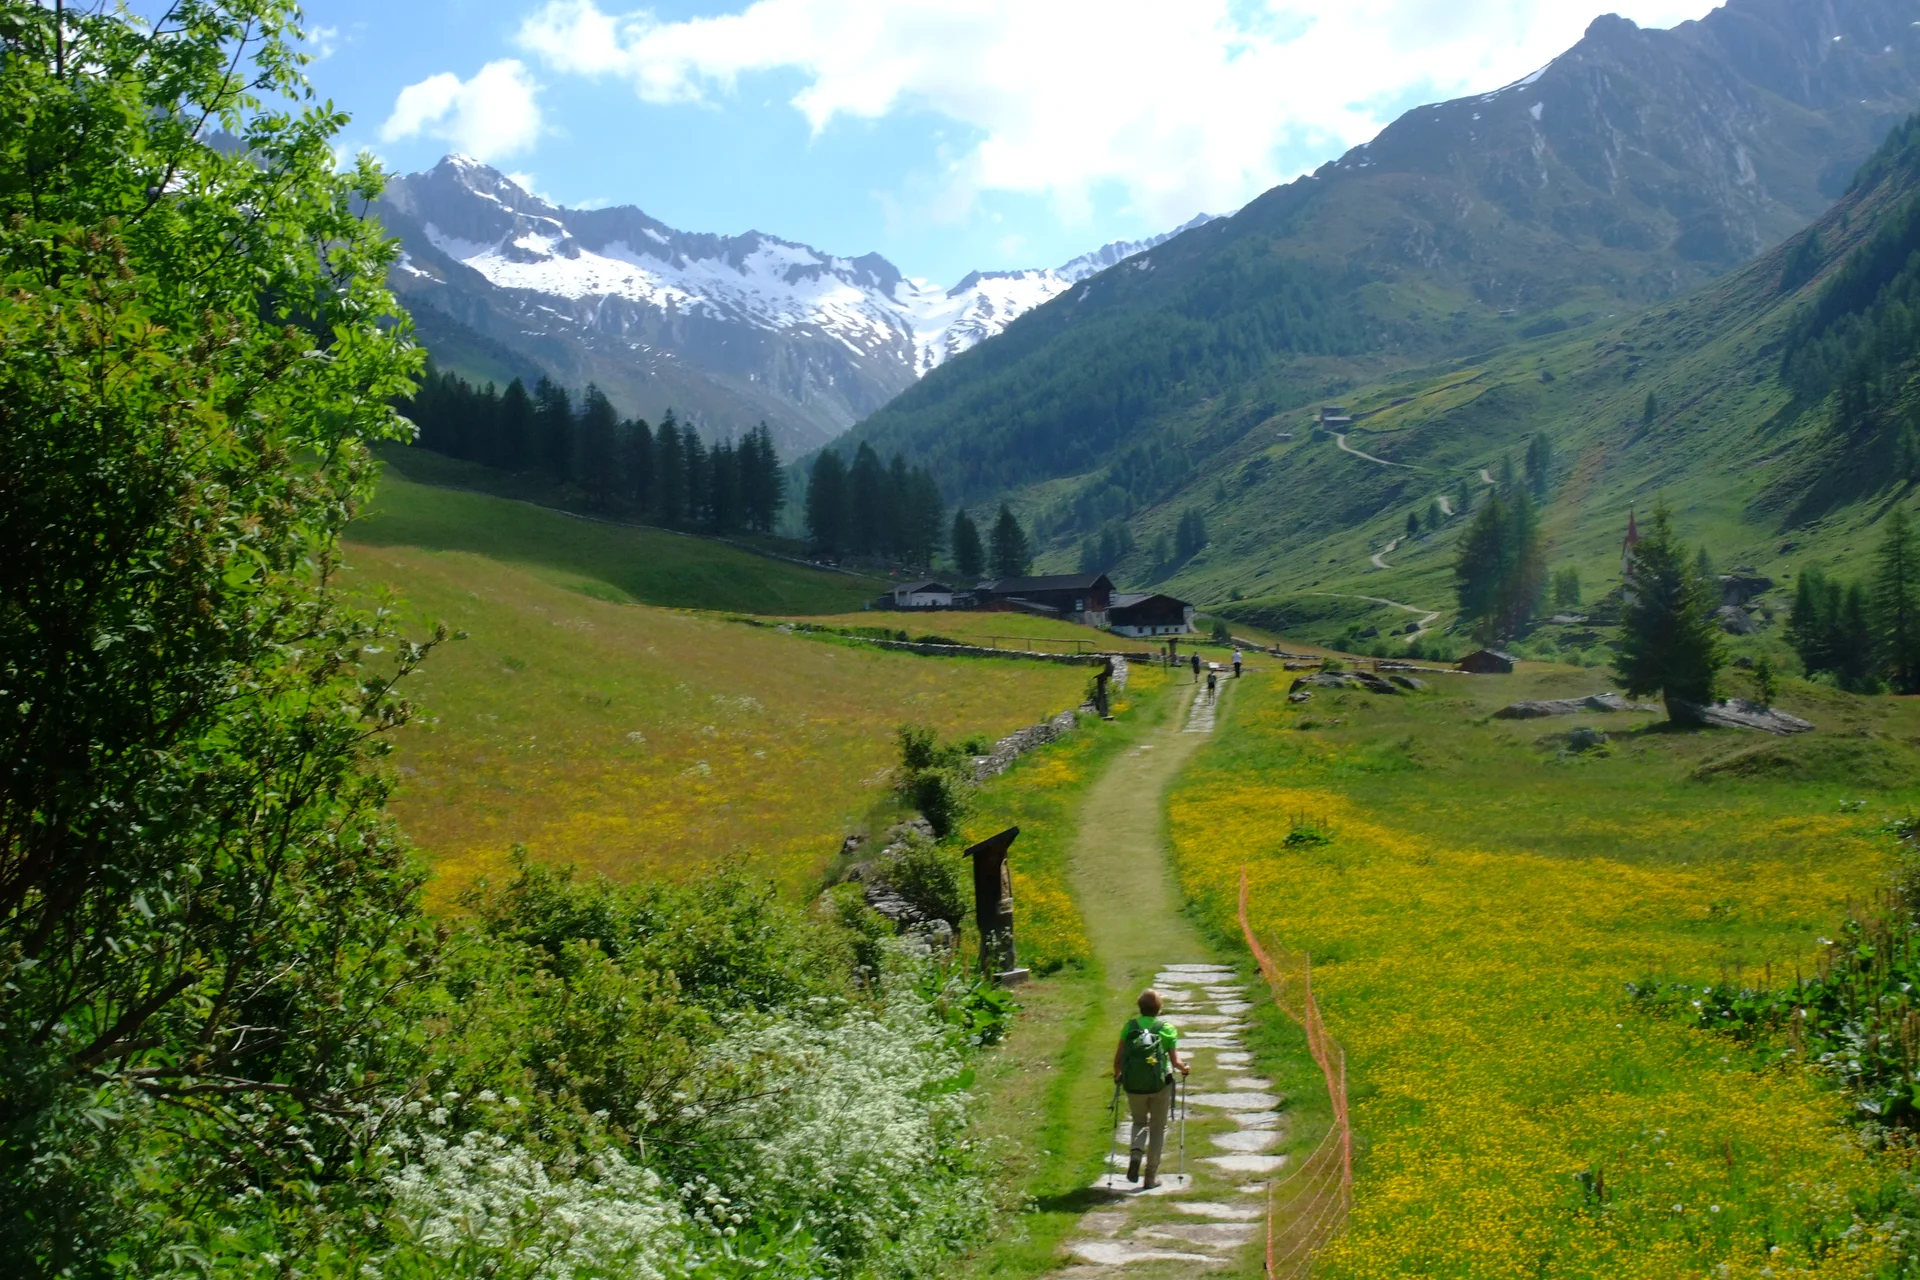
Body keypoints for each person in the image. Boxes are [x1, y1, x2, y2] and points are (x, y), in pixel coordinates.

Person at [1114, 989, 1189, 1188]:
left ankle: (1136, 1153)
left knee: (1139, 1122)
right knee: (1157, 1128)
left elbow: (1118, 1058)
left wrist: (1118, 1075)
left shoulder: (1130, 1027)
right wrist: (1185, 1068)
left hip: (1134, 1085)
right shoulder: (1167, 1029)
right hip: (1159, 1085)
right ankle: (1150, 1176)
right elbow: (1175, 1062)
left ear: (1140, 1007)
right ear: (1159, 1009)